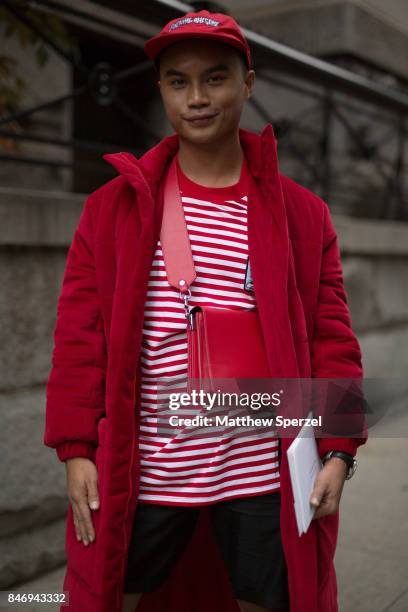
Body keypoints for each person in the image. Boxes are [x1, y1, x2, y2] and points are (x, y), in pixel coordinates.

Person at [44, 9, 367, 612]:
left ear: (247, 83)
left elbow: (333, 338)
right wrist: (76, 449)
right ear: (161, 88)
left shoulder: (303, 214)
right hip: (147, 469)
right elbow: (80, 339)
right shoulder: (112, 208)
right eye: (178, 81)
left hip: (262, 469)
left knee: (269, 598)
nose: (197, 97)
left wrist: (339, 450)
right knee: (115, 591)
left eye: (215, 78)